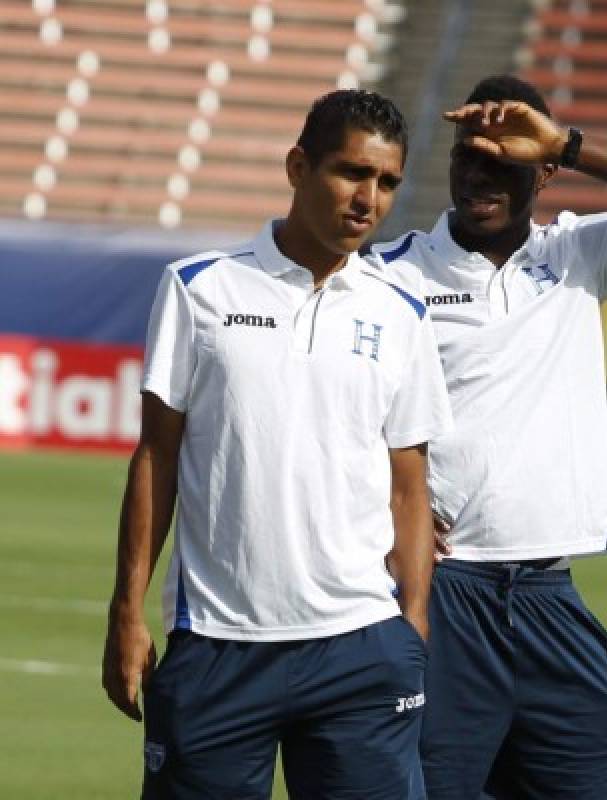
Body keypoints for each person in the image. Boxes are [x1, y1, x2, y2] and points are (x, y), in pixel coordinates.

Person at [372, 74, 607, 799]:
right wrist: (382, 501)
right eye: (469, 157)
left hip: (552, 596)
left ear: (542, 170)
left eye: (505, 162)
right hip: (444, 594)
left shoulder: (576, 254)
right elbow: (336, 415)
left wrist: (569, 142)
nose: (481, 176)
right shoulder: (391, 275)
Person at [100, 89, 452, 799]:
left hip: (362, 647)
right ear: (298, 166)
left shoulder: (402, 313)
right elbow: (156, 457)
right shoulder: (199, 287)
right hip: (219, 646)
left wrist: (411, 627)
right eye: (352, 173)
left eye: (387, 182)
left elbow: (409, 485)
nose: (369, 200)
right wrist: (126, 611)